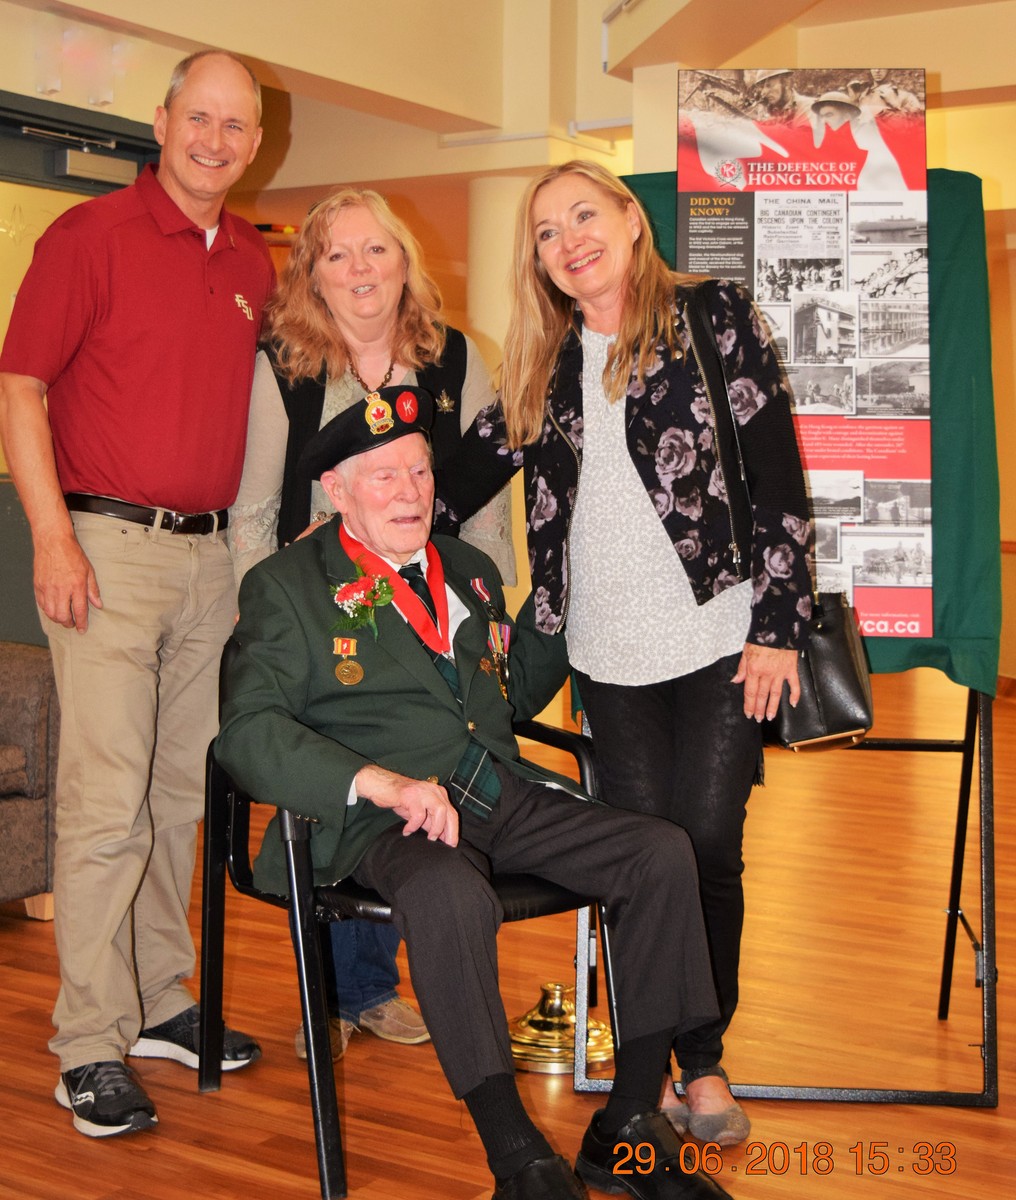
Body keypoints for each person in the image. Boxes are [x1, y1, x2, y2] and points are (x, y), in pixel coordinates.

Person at [216, 386, 733, 1200]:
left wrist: (571, 596)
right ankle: (516, 1153)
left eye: (419, 472)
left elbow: (511, 690)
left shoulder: (470, 569)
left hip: (497, 793)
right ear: (337, 491)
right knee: (451, 897)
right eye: (382, 477)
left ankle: (629, 1121)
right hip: (376, 821)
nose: (410, 492)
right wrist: (377, 782)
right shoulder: (287, 587)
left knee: (660, 854)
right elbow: (246, 733)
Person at [434, 161, 814, 1147]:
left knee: (707, 845)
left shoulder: (711, 314)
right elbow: (453, 477)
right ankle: (662, 1062)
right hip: (604, 649)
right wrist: (353, 518)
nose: (570, 241)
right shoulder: (539, 363)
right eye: (548, 232)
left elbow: (776, 471)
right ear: (542, 262)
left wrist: (777, 626)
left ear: (629, 221)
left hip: (721, 634)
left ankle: (701, 1062)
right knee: (647, 857)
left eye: (584, 215)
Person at [0, 49, 273, 1138]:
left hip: (211, 564)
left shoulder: (253, 255)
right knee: (107, 807)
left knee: (181, 797)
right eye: (197, 118)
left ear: (257, 141)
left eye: (235, 126)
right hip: (107, 549)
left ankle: (164, 1000)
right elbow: (19, 387)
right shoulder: (87, 240)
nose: (214, 140)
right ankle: (88, 1043)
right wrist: (51, 538)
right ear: (161, 122)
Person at [229, 187, 515, 1060]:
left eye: (376, 251)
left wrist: (492, 610)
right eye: (337, 255)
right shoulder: (284, 364)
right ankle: (335, 988)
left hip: (433, 606)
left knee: (420, 773)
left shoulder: (459, 361)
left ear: (405, 262)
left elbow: (491, 508)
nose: (360, 270)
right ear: (311, 275)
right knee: (348, 777)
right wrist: (266, 611)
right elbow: (254, 506)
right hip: (325, 615)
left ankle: (373, 986)